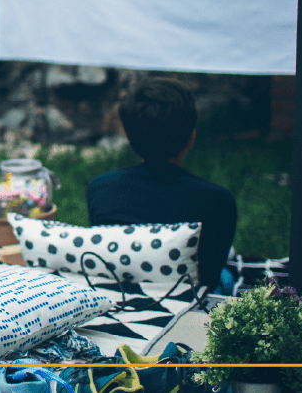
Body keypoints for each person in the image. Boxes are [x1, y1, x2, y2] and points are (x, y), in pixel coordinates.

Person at [84, 77, 236, 289]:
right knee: (227, 276)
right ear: (192, 136)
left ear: (128, 136)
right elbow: (209, 279)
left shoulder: (98, 188)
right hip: (188, 302)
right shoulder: (218, 201)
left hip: (123, 292)